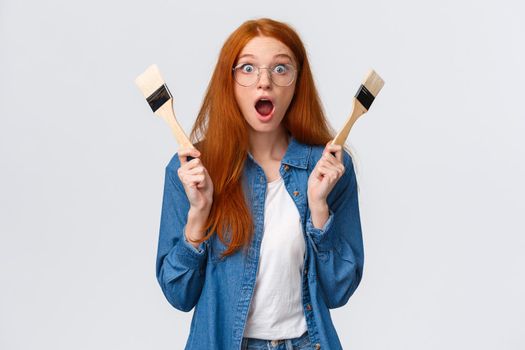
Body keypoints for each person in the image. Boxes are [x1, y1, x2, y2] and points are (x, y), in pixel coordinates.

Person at [155, 18, 364, 350]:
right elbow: (178, 294)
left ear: (298, 83)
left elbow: (340, 290)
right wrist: (198, 213)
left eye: (281, 69)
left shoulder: (328, 169)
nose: (264, 82)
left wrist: (320, 209)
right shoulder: (194, 170)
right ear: (230, 81)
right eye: (248, 68)